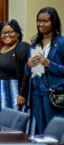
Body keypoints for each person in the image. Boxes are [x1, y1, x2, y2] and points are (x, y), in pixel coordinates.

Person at [25, 7, 64, 135]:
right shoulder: (35, 43)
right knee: (41, 130)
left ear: (54, 22)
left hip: (53, 93)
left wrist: (49, 64)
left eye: (45, 21)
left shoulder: (61, 43)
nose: (41, 24)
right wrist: (28, 65)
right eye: (39, 21)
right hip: (36, 91)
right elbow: (31, 72)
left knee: (54, 131)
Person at [0, 19, 30, 125]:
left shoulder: (22, 47)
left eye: (10, 31)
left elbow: (27, 72)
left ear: (18, 33)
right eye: (3, 32)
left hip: (12, 94)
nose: (7, 35)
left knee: (11, 124)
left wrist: (22, 94)